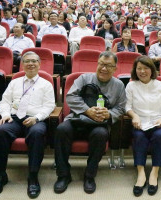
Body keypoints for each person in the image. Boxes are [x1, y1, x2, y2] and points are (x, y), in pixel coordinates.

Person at [53, 51, 126, 194]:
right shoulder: (84, 78)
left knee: (100, 134)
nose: (104, 68)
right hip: (77, 119)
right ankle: (63, 175)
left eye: (108, 66)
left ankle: (89, 175)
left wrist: (109, 114)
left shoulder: (119, 85)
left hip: (99, 124)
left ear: (115, 68)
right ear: (97, 64)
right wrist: (87, 110)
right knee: (61, 130)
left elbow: (121, 107)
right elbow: (71, 97)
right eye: (101, 64)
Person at [0, 51, 55, 199]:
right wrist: (5, 115)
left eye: (34, 61)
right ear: (22, 65)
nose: (30, 64)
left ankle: (33, 176)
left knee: (37, 133)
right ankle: (0, 176)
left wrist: (36, 118)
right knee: (0, 131)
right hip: (14, 119)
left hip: (34, 119)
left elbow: (49, 106)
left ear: (39, 64)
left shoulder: (46, 84)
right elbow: (5, 101)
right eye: (27, 61)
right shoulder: (14, 82)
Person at [125, 55, 161, 197]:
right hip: (139, 122)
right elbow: (127, 106)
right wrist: (134, 116)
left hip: (158, 122)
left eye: (146, 68)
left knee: (159, 136)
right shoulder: (131, 85)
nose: (142, 71)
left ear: (152, 70)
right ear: (135, 70)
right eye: (139, 68)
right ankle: (141, 173)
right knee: (139, 137)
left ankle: (154, 172)